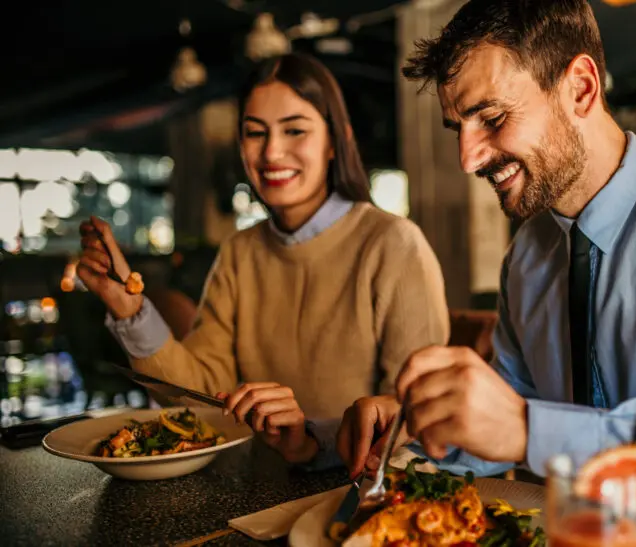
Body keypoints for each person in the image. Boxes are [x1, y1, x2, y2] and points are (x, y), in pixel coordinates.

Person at [331, 1, 636, 545]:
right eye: (458, 128)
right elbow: (514, 403)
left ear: (581, 88)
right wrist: (417, 432)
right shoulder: (529, 256)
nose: (467, 159)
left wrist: (528, 429)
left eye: (491, 118)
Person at [77, 53, 449, 468]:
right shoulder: (240, 252)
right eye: (256, 133)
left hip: (366, 497)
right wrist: (130, 310)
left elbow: (416, 414)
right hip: (262, 488)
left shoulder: (393, 244)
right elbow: (198, 395)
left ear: (334, 142)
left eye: (294, 130)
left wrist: (312, 440)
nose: (272, 151)